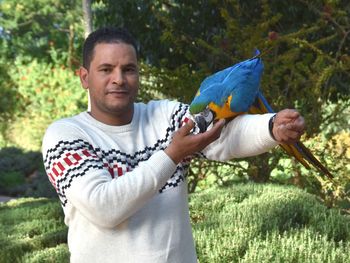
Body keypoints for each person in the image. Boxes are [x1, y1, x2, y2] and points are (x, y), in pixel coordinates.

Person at [42, 27, 305, 263]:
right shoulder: (65, 136)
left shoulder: (164, 116)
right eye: (106, 69)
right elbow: (105, 208)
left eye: (129, 69)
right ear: (84, 77)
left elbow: (221, 136)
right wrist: (172, 155)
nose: (119, 79)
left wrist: (271, 127)